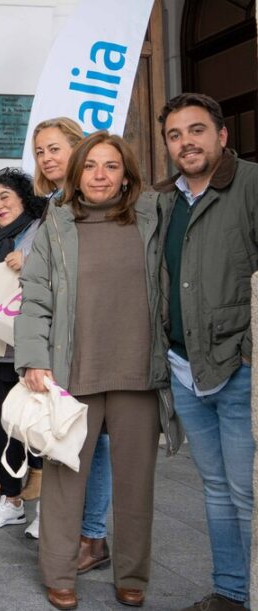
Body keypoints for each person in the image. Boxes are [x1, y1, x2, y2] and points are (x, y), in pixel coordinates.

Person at [17, 131, 177, 610]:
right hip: (74, 373)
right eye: (90, 166)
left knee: (135, 485)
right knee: (66, 484)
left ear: (126, 173)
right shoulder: (57, 223)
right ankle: (59, 574)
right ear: (76, 173)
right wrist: (34, 358)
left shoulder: (152, 217)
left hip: (138, 374)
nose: (100, 175)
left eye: (110, 166)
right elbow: (36, 297)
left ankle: (132, 574)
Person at [154, 93, 257, 611]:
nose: (186, 142)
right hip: (183, 366)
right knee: (216, 487)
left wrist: (247, 349)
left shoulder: (251, 185)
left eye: (196, 130)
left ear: (221, 135)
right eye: (175, 135)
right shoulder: (164, 200)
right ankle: (230, 592)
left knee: (247, 491)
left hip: (238, 368)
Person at [30, 117, 114, 563]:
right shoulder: (54, 206)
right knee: (70, 435)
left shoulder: (96, 203)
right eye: (40, 151)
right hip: (63, 339)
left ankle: (92, 536)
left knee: (95, 440)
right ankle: (72, 530)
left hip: (96, 339)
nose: (47, 158)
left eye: (55, 148)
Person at [0, 167, 46, 530]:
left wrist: (29, 262)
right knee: (5, 427)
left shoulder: (41, 229)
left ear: (22, 197)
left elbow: (60, 273)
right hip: (0, 350)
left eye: (4, 197)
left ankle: (48, 512)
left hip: (33, 348)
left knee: (39, 428)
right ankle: (11, 500)